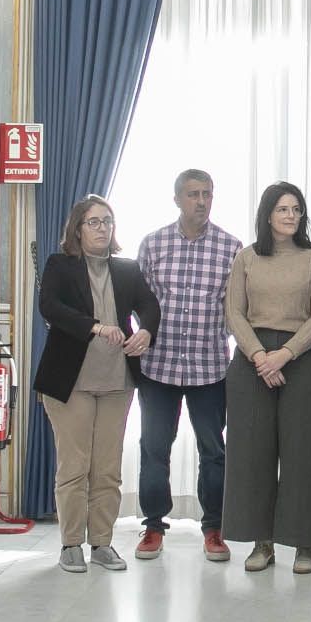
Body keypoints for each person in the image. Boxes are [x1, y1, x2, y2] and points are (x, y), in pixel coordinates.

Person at [36, 193, 159, 570]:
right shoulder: (61, 264)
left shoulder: (126, 269)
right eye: (94, 222)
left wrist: (146, 332)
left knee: (107, 468)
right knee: (75, 465)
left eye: (107, 221)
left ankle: (102, 542)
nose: (103, 228)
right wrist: (94, 327)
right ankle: (71, 543)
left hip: (116, 383)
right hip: (70, 382)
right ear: (77, 228)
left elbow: (149, 306)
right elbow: (51, 308)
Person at [224, 182, 311, 571]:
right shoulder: (247, 258)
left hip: (302, 358)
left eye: (297, 210)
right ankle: (262, 542)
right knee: (253, 454)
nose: (291, 216)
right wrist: (259, 356)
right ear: (267, 214)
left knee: (305, 453)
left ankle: (305, 544)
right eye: (283, 209)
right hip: (252, 361)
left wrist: (284, 355)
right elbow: (234, 312)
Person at [134, 169, 240, 562]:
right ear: (177, 198)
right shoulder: (154, 244)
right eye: (193, 194)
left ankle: (214, 528)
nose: (201, 201)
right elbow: (138, 300)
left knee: (213, 451)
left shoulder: (232, 248)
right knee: (154, 448)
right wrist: (140, 333)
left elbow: (236, 308)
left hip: (209, 367)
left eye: (207, 194)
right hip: (158, 366)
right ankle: (152, 526)